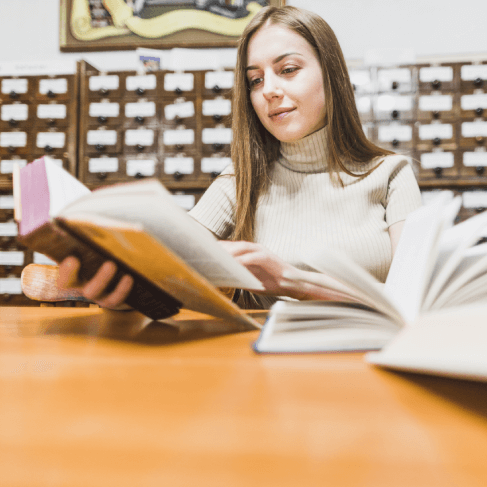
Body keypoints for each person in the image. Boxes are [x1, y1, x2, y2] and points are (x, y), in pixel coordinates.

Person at [57, 5, 422, 310]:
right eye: (255, 80)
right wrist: (122, 292)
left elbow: (415, 304)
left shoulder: (391, 175)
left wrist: (295, 282)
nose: (270, 91)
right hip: (267, 372)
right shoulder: (241, 180)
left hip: (365, 366)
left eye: (288, 70)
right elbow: (165, 270)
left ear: (332, 75)